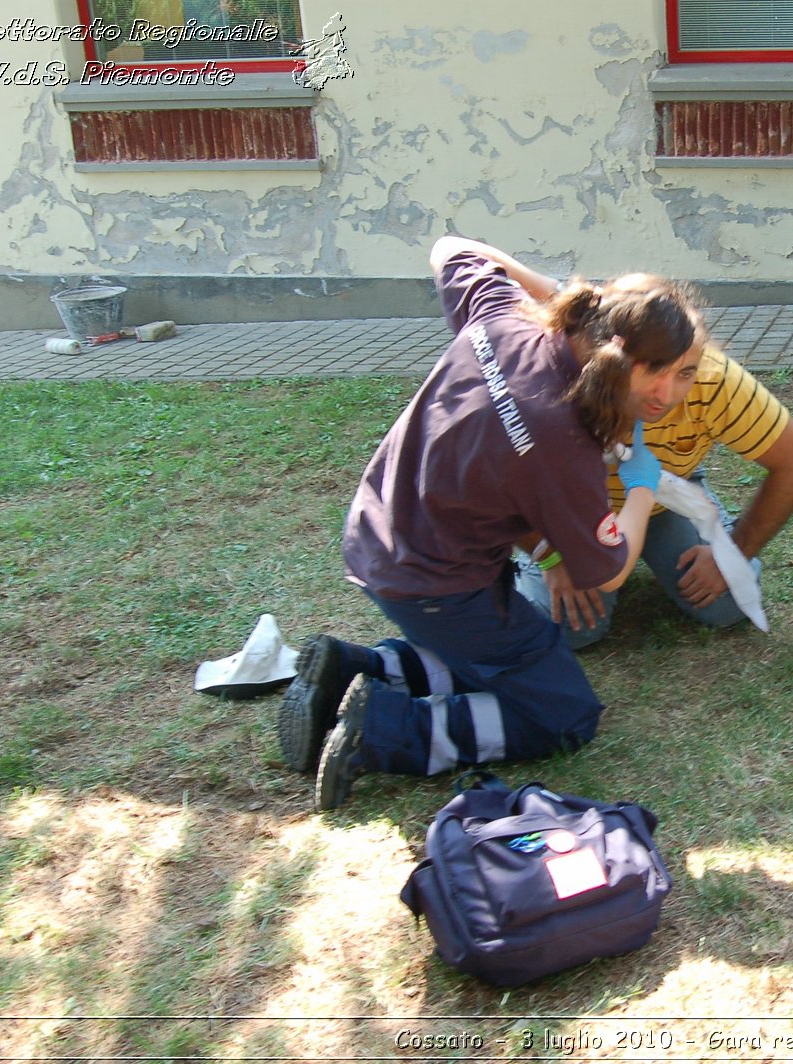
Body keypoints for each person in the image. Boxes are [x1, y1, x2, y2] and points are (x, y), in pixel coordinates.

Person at [277, 235, 699, 810]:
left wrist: (566, 296)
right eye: (669, 376)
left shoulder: (503, 320)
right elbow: (609, 571)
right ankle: (383, 729)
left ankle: (352, 668)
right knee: (563, 714)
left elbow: (450, 247)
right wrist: (642, 489)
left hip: (381, 535)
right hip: (438, 585)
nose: (672, 394)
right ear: (633, 364)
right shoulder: (563, 440)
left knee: (514, 658)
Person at [496, 274, 793, 648]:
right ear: (609, 356)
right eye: (651, 368)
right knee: (569, 628)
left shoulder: (713, 377)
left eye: (684, 372)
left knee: (726, 604)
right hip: (573, 512)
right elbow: (493, 480)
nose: (665, 395)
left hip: (662, 502)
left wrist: (734, 549)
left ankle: (674, 538)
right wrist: (546, 554)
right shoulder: (555, 379)